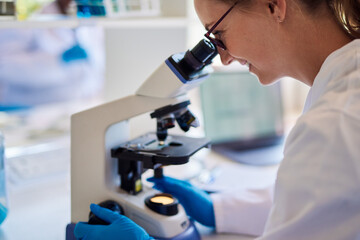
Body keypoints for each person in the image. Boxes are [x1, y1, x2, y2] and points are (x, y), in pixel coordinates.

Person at [74, 0, 360, 239]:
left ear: (274, 6)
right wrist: (218, 210)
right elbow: (316, 203)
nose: (223, 58)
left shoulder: (332, 124)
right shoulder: (343, 89)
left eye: (218, 34)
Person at [0, 0, 104, 108]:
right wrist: (58, 61)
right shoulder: (32, 20)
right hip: (33, 109)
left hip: (78, 106)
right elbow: (6, 66)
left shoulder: (90, 21)